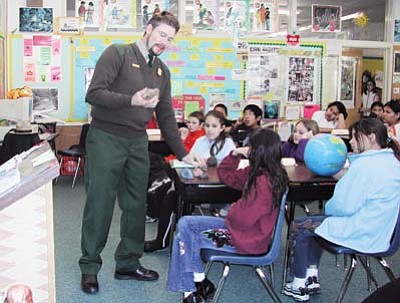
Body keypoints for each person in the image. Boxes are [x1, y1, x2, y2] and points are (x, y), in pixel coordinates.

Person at [79, 11, 202, 295]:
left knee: (136, 205)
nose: (165, 42)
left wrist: (183, 153)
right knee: (100, 205)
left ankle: (127, 262)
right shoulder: (118, 54)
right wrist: (130, 100)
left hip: (137, 141)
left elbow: (167, 116)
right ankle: (89, 267)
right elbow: (94, 94)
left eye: (170, 39)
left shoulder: (162, 72)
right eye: (162, 35)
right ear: (148, 29)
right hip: (106, 137)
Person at [166, 128, 289, 303]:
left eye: (250, 146)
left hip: (246, 240)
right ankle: (198, 282)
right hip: (240, 232)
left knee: (184, 236)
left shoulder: (263, 182)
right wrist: (234, 153)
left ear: (257, 150)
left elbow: (243, 219)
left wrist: (234, 208)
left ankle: (192, 290)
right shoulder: (260, 172)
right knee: (186, 223)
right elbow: (226, 174)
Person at [283, 118, 400, 302]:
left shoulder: (365, 165)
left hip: (363, 230)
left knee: (301, 225)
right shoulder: (392, 161)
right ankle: (312, 277)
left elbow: (341, 206)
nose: (351, 142)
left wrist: (328, 208)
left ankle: (298, 283)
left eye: (354, 137)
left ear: (370, 137)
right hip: (382, 230)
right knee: (317, 224)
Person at [144, 110, 236, 252]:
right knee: (169, 194)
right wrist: (194, 169)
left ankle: (172, 238)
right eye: (207, 125)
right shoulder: (200, 141)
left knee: (174, 194)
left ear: (222, 127)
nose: (210, 129)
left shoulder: (228, 143)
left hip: (219, 188)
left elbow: (228, 168)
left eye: (214, 126)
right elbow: (189, 161)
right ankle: (162, 241)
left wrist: (206, 170)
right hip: (196, 184)